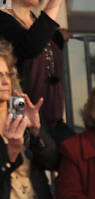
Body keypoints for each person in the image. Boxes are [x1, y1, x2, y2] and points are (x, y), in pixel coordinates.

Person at [0, 42, 56, 199]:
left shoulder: (18, 111)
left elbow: (52, 161)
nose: (4, 81)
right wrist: (11, 152)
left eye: (7, 74)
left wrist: (36, 130)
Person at [0, 0, 68, 139]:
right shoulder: (2, 20)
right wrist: (53, 5)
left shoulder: (36, 20)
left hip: (54, 121)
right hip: (22, 120)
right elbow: (30, 46)